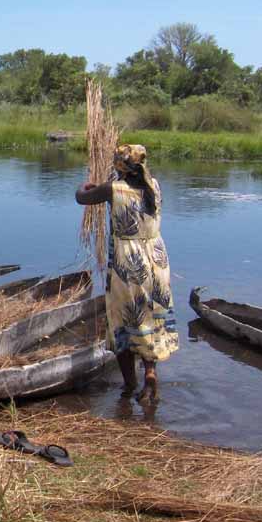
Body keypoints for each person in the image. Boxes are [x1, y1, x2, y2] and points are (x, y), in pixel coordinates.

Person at [75, 144, 178, 403]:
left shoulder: (113, 189)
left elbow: (82, 198)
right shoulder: (154, 185)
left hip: (128, 262)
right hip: (157, 259)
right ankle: (150, 373)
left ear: (119, 165)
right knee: (150, 317)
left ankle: (130, 384)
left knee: (122, 321)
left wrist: (85, 186)